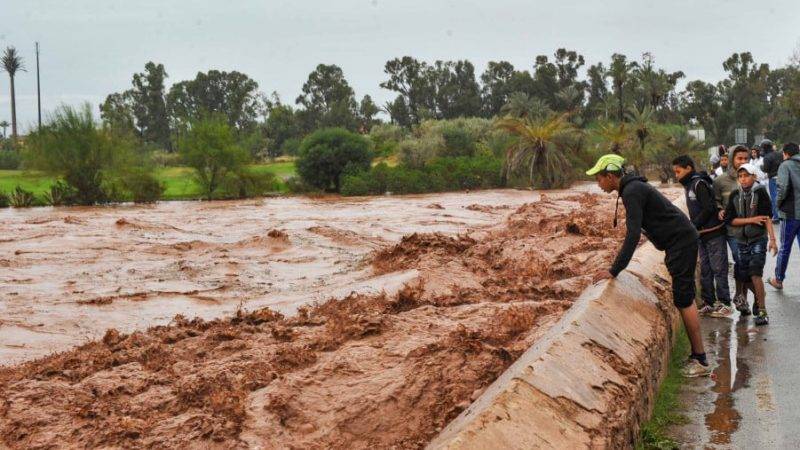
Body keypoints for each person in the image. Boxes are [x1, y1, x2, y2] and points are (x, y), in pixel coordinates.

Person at [587, 154, 711, 377]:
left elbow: (633, 234)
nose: (598, 184)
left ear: (611, 176)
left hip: (680, 242)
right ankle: (697, 355)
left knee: (684, 299)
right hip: (679, 241)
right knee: (684, 297)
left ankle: (700, 359)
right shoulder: (632, 188)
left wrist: (613, 270)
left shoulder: (632, 192)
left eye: (599, 178)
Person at [673, 155, 732, 317]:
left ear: (688, 169)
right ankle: (709, 302)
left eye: (678, 171)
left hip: (714, 233)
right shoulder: (688, 185)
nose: (676, 176)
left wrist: (693, 225)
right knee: (705, 270)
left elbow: (709, 208)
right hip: (701, 235)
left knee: (718, 268)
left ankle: (725, 303)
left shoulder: (699, 183)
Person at [722, 163, 778, 325]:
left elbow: (766, 217)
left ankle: (762, 311)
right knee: (743, 275)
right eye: (740, 176)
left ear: (753, 177)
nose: (743, 179)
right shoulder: (734, 195)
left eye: (746, 175)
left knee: (755, 273)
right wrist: (751, 220)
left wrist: (772, 240)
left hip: (758, 240)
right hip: (740, 241)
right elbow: (730, 220)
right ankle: (758, 298)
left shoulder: (760, 192)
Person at [713, 145, 754, 315]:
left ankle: (742, 297)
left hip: (750, 232)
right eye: (739, 159)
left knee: (745, 264)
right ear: (731, 160)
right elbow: (714, 201)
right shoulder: (720, 181)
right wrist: (719, 209)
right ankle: (746, 298)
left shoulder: (753, 179)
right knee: (734, 263)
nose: (743, 162)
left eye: (746, 158)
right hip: (729, 231)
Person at [768, 142, 800, 290]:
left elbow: (782, 188)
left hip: (790, 214)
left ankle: (778, 279)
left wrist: (778, 205)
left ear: (786, 153)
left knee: (785, 248)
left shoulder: (785, 166)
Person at [760, 139, 783, 223]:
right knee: (782, 196)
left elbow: (766, 169)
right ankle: (781, 215)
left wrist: (761, 167)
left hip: (773, 179)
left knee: (774, 197)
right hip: (782, 177)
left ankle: (776, 217)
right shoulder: (779, 154)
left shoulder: (767, 157)